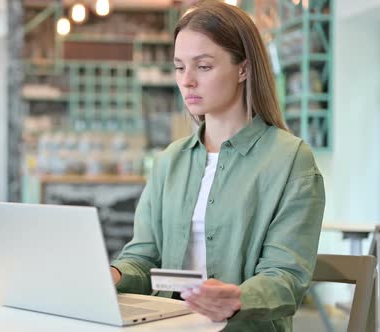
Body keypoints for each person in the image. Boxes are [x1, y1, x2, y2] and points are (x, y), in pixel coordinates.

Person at [109, 1, 325, 331]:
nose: (187, 81)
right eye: (180, 67)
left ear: (243, 69)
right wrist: (113, 274)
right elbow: (144, 259)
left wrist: (238, 297)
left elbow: (286, 277)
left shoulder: (290, 159)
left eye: (204, 66)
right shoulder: (170, 161)